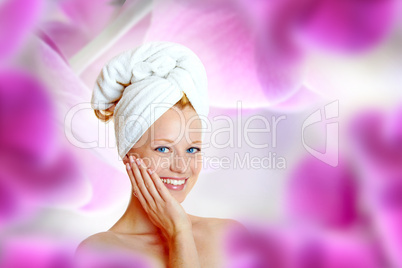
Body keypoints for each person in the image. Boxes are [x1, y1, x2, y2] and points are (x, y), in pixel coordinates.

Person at [76, 42, 246, 268]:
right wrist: (179, 233)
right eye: (163, 149)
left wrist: (181, 230)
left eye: (192, 149)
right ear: (128, 153)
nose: (181, 167)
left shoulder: (228, 237)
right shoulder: (101, 251)